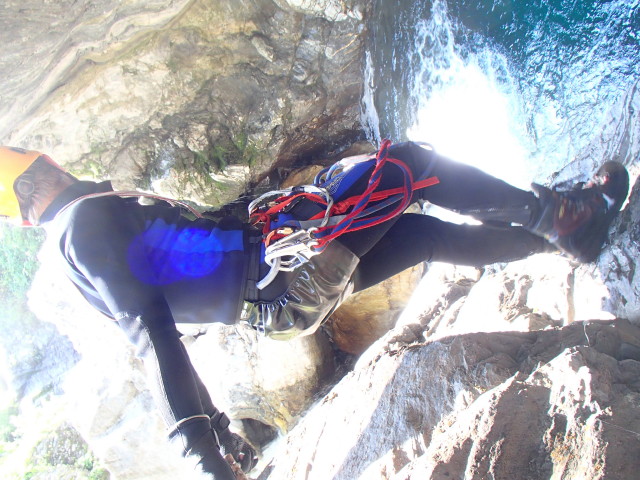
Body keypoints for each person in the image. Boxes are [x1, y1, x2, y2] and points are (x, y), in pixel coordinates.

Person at [0, 141, 629, 479]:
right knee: (406, 163)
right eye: (42, 159)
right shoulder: (83, 224)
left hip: (281, 284)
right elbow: (151, 331)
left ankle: (565, 233)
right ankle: (560, 217)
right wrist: (203, 451)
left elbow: (155, 316)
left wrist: (223, 432)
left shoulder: (72, 243)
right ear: (36, 174)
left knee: (417, 233)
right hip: (286, 282)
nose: (54, 158)